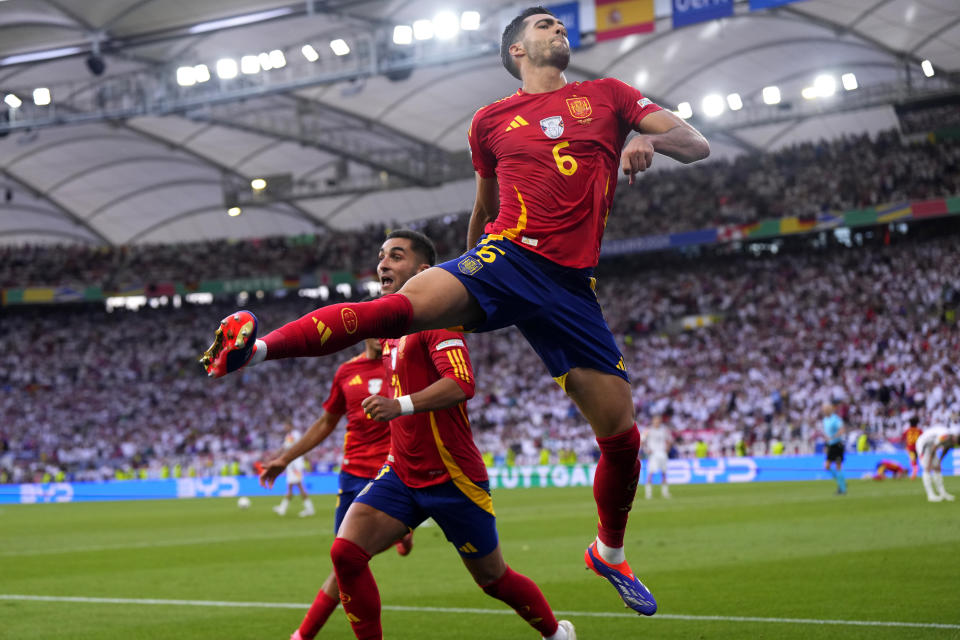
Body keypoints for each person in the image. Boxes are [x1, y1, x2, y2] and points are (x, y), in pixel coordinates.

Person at [200, 5, 709, 615]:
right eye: (544, 24)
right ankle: (255, 349)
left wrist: (648, 137)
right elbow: (483, 206)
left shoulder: (609, 95)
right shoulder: (490, 121)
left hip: (571, 288)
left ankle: (610, 551)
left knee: (621, 436)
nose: (559, 28)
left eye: (560, 23)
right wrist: (460, 273)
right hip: (507, 255)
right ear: (516, 49)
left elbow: (696, 142)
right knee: (400, 306)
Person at [293, 230, 576, 639]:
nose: (383, 264)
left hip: (453, 477)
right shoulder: (392, 330)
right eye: (381, 257)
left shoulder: (438, 322)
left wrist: (400, 404)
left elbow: (462, 384)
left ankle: (555, 634)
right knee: (346, 553)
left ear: (424, 271)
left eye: (396, 256)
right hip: (403, 474)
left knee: (493, 579)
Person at [260, 337, 412, 640]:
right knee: (345, 565)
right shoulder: (346, 372)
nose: (381, 336)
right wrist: (285, 459)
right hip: (352, 476)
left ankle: (302, 635)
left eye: (387, 329)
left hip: (391, 475)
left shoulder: (402, 365)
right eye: (376, 328)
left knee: (350, 561)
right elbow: (326, 422)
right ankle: (402, 534)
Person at [271, 421, 315, 517]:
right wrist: (277, 454)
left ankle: (309, 508)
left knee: (299, 486)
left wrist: (307, 461)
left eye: (286, 425)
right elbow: (285, 448)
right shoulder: (289, 435)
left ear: (290, 425)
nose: (284, 427)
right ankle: (282, 508)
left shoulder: (295, 434)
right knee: (290, 486)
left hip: (296, 464)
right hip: (291, 464)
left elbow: (301, 446)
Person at [915, 425, 959, 502]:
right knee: (927, 468)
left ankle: (942, 493)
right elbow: (934, 447)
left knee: (937, 467)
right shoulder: (945, 436)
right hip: (923, 444)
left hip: (931, 446)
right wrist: (929, 463)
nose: (954, 444)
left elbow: (946, 449)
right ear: (954, 438)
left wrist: (940, 461)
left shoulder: (952, 440)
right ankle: (930, 495)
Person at [642, 415, 671, 499]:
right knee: (651, 473)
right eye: (655, 421)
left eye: (658, 421)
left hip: (662, 453)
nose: (657, 422)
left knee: (664, 473)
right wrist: (646, 450)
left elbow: (669, 440)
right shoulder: (648, 430)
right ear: (653, 421)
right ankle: (648, 493)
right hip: (653, 454)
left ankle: (665, 493)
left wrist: (667, 449)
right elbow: (642, 441)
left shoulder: (664, 430)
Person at [822, 403, 846, 495]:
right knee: (827, 467)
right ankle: (841, 483)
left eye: (825, 409)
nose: (823, 411)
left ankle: (842, 488)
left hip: (837, 445)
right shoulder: (824, 420)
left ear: (829, 409)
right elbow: (826, 434)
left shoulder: (835, 419)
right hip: (830, 446)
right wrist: (826, 444)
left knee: (838, 467)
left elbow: (842, 430)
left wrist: (833, 437)